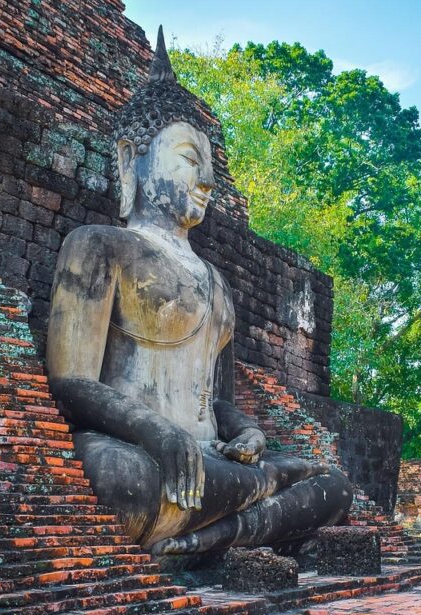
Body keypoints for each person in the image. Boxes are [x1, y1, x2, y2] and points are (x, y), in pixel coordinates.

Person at [46, 29, 352, 555]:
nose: (206, 179)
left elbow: (219, 404)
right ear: (131, 162)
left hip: (210, 463)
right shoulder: (99, 246)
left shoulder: (218, 285)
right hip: (137, 455)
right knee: (117, 480)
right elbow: (70, 381)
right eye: (190, 158)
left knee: (335, 486)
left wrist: (250, 431)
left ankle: (215, 533)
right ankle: (248, 514)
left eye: (210, 165)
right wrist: (157, 433)